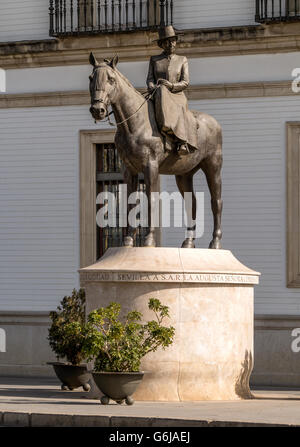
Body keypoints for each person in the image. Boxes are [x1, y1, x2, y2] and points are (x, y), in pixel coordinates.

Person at [147, 25, 192, 156]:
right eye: (167, 41)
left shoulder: (182, 59)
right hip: (158, 93)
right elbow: (149, 79)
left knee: (179, 106)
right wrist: (152, 86)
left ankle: (181, 140)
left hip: (176, 94)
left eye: (172, 40)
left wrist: (171, 85)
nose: (170, 43)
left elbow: (185, 82)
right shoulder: (154, 60)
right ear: (161, 44)